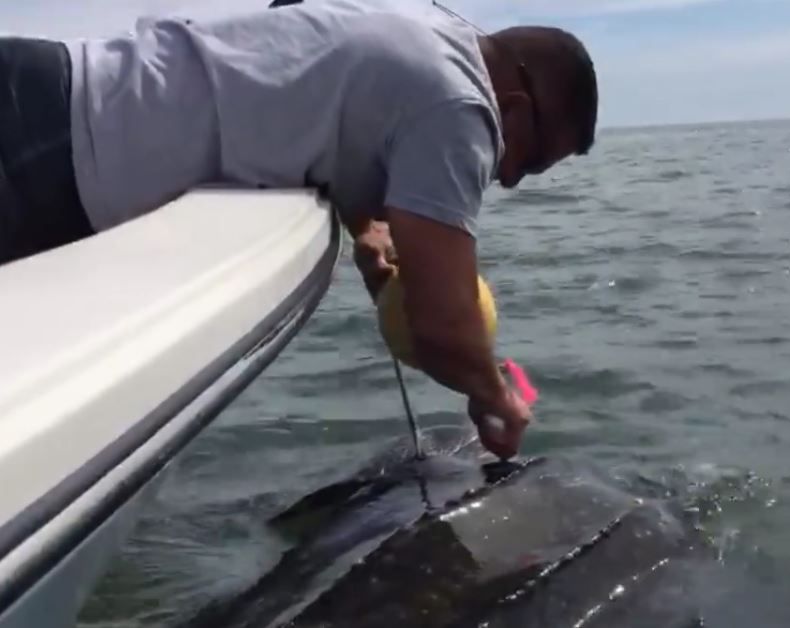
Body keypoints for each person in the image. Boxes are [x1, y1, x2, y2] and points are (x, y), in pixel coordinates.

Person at [0, 0, 598, 459]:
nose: (513, 179)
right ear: (515, 109)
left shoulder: (425, 37)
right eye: (532, 160)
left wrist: (367, 233)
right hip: (45, 148)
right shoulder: (463, 109)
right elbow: (444, 323)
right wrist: (495, 397)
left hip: (45, 92)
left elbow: (311, 97)